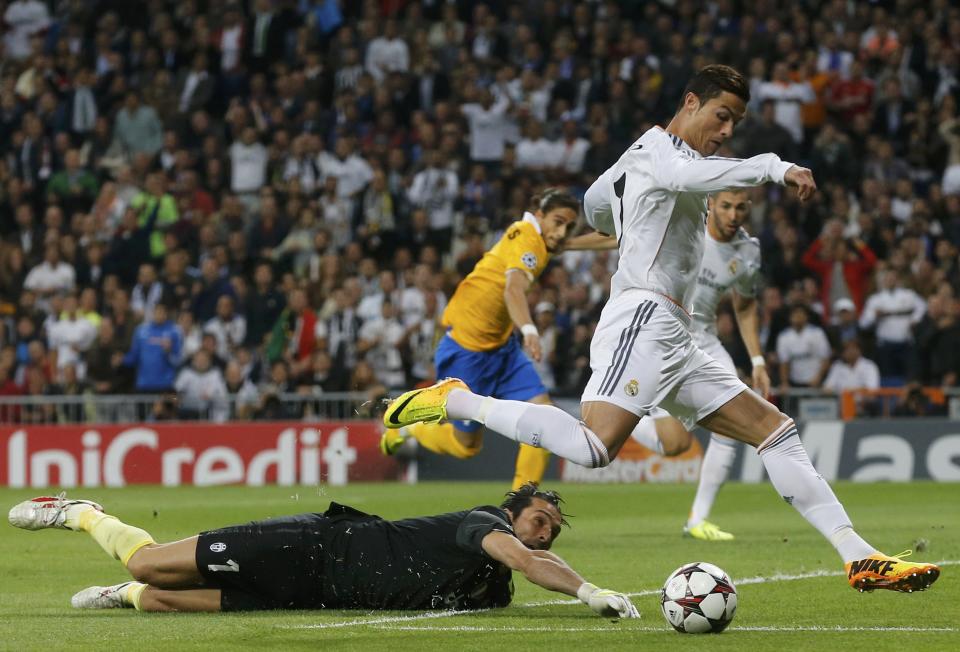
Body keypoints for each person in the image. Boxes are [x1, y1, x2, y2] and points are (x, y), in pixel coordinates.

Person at [383, 65, 940, 593]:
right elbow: (674, 176)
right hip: (642, 315)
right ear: (690, 103)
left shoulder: (640, 158)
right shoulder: (661, 151)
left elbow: (595, 203)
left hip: (677, 329)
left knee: (774, 429)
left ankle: (859, 556)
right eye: (720, 115)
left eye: (735, 124)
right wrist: (774, 165)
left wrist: (624, 218)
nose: (725, 131)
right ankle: (458, 401)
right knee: (595, 447)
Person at [8, 485, 638, 618]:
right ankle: (83, 513)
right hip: (309, 546)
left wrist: (579, 584)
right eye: (541, 518)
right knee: (149, 561)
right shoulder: (481, 524)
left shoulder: (488, 581)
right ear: (513, 510)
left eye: (553, 527)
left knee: (160, 600)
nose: (545, 532)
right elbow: (533, 563)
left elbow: (532, 566)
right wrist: (588, 592)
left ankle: (120, 597)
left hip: (311, 593)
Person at [380, 189, 581, 491]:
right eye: (559, 222)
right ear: (540, 215)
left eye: (569, 226)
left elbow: (576, 243)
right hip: (466, 351)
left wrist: (628, 234)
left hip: (503, 350)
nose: (563, 232)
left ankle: (519, 507)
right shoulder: (525, 236)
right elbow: (512, 289)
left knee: (544, 419)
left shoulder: (542, 240)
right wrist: (528, 329)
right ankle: (409, 430)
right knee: (466, 447)